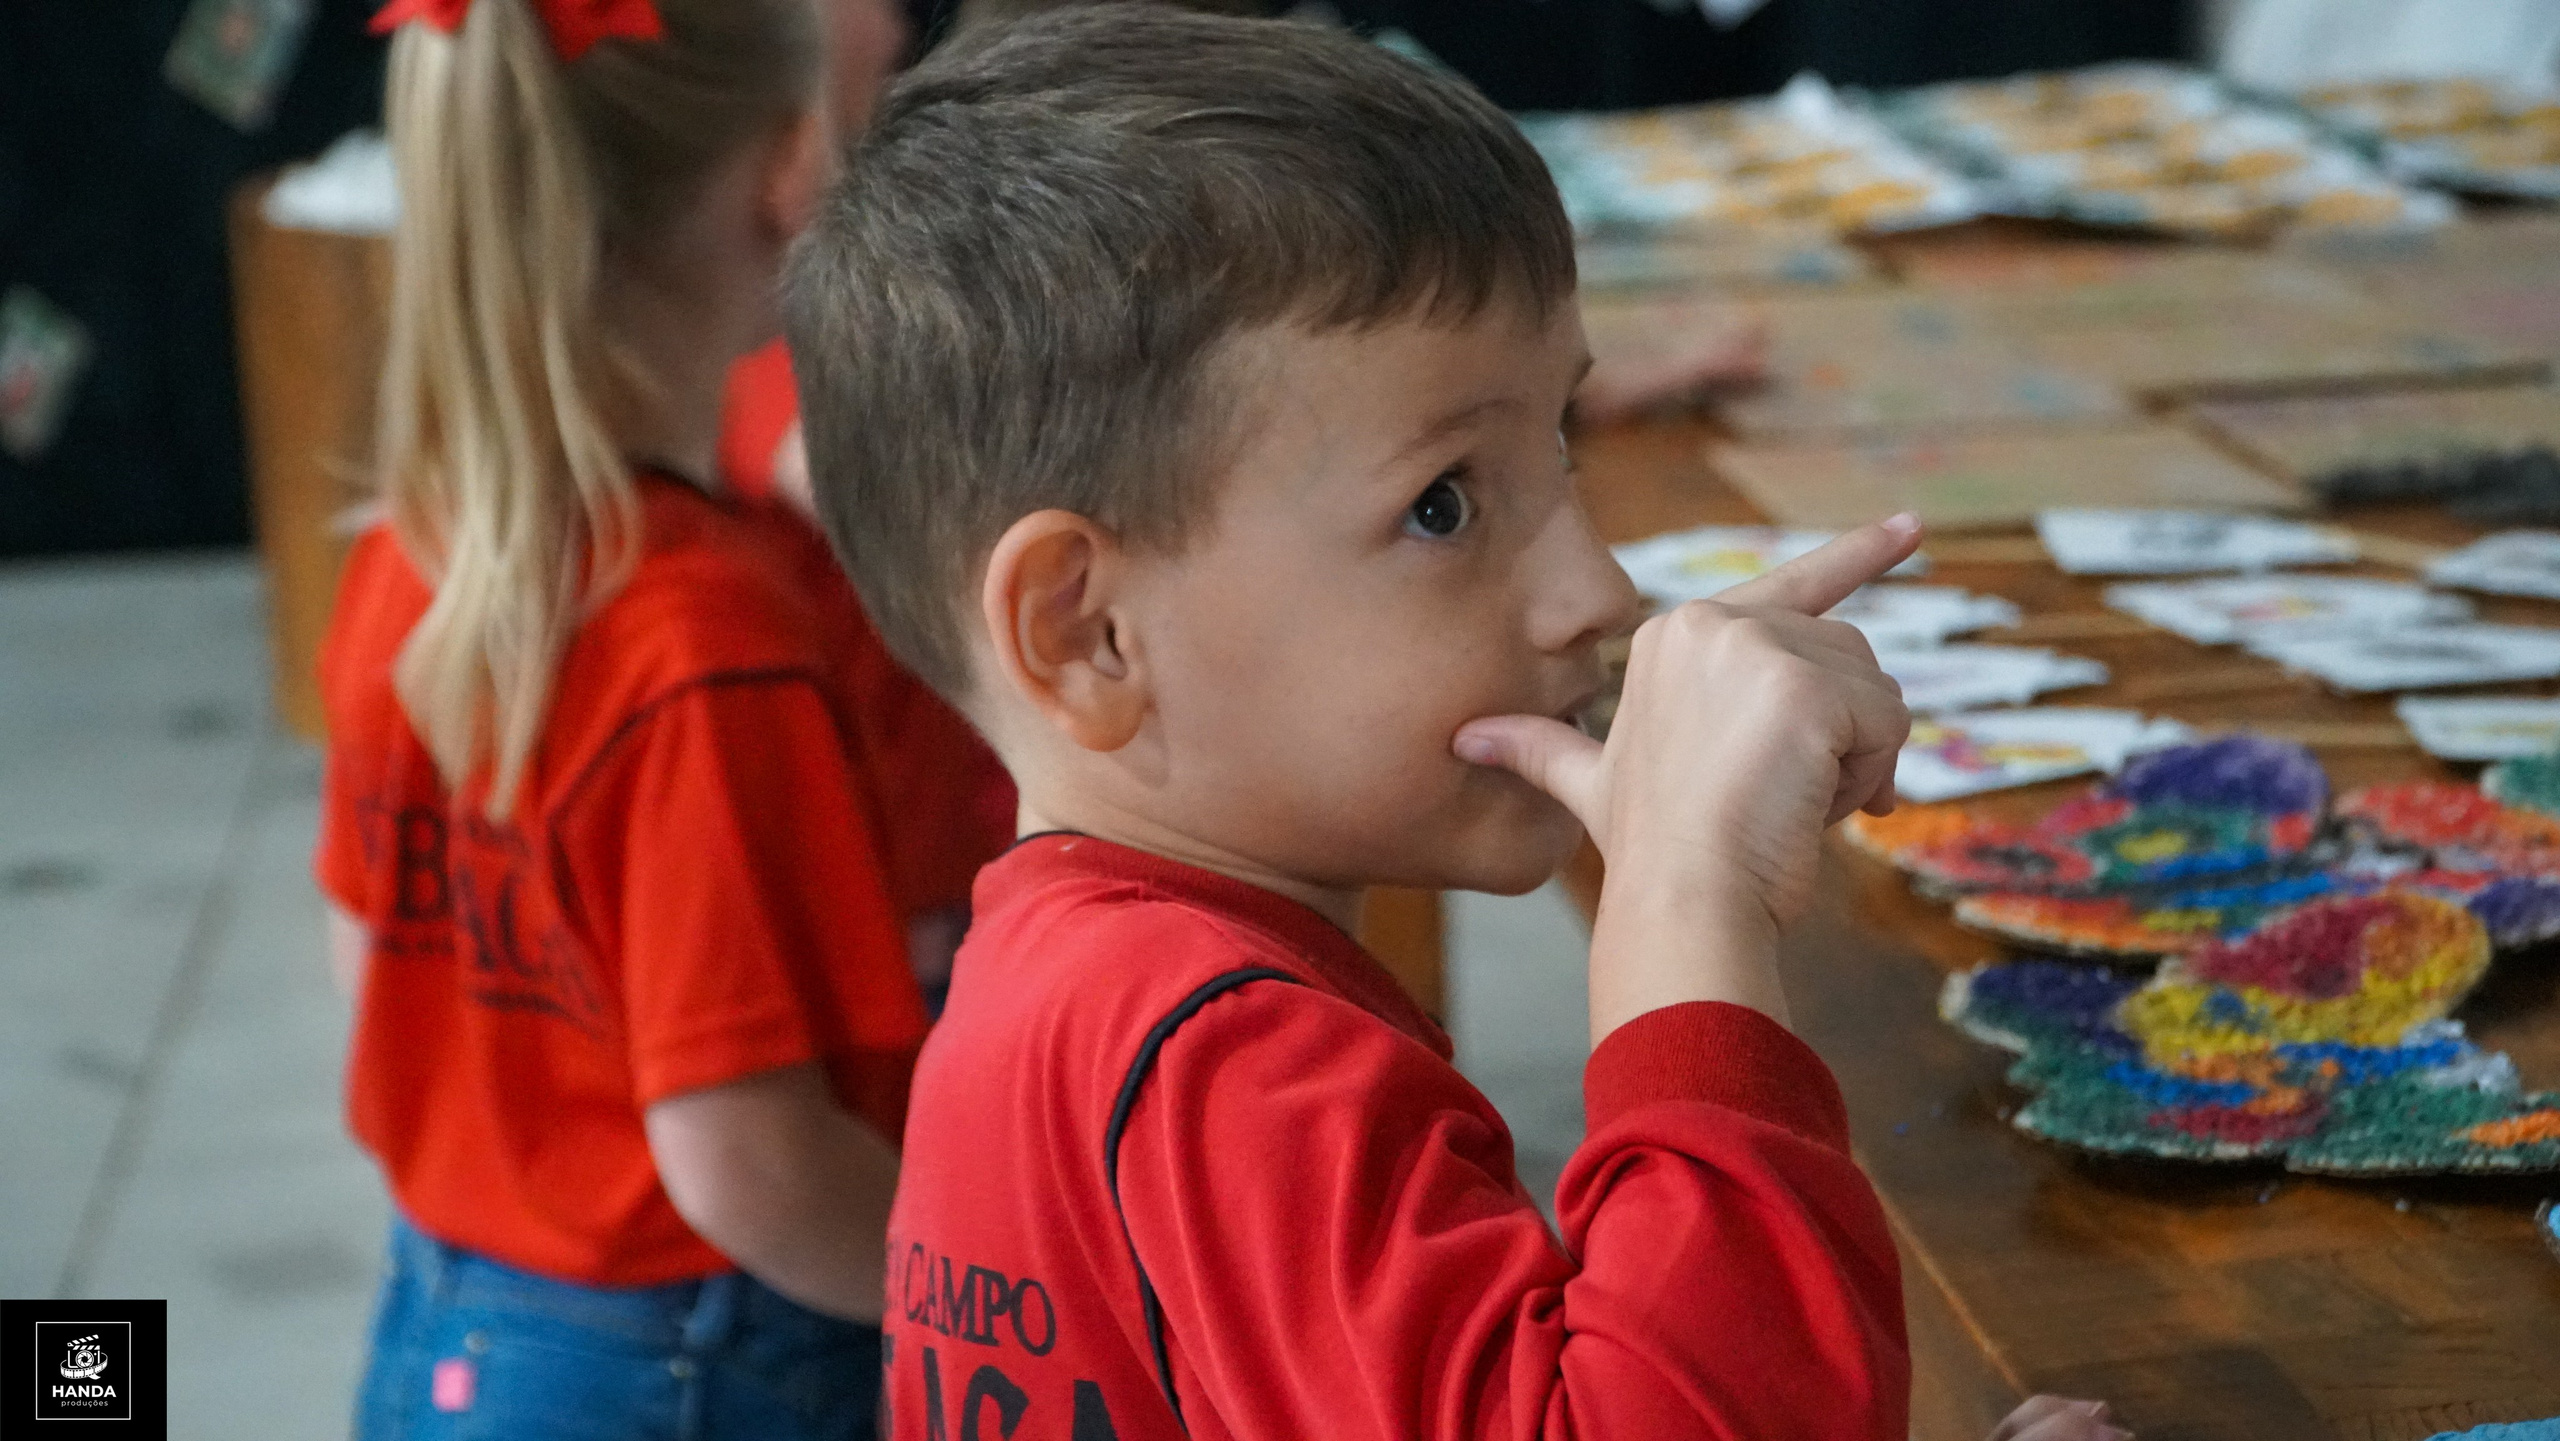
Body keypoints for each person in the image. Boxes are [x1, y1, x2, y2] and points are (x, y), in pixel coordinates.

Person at [786, 9, 2124, 1440]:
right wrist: (1685, 916)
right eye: (1443, 505)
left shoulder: (1075, 986)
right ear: (1087, 633)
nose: (1597, 588)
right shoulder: (1231, 1060)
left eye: (1561, 446)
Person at [315, 0, 973, 1434]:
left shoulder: (412, 552)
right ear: (791, 171)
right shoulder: (705, 650)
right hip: (687, 1364)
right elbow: (752, 1164)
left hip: (443, 1321)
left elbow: (371, 955)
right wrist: (1008, 1296)